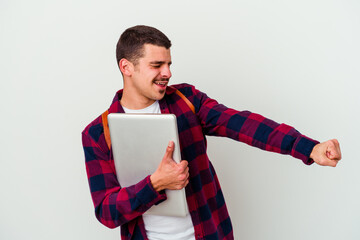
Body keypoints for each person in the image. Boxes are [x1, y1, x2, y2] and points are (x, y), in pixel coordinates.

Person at [82, 25, 342, 240]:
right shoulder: (97, 134)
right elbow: (107, 212)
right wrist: (155, 184)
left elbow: (242, 124)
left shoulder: (187, 100)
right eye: (157, 65)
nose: (167, 73)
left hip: (210, 233)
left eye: (169, 64)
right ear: (126, 67)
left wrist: (308, 147)